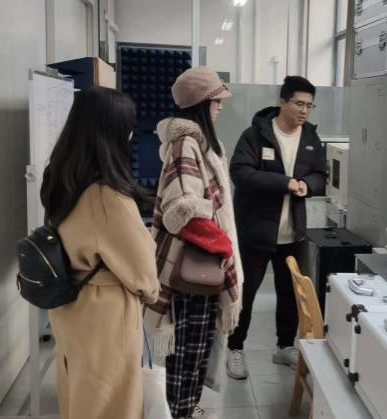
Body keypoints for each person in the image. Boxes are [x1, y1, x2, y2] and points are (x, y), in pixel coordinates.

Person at [41, 86, 160, 419]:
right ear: (113, 133)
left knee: (80, 393)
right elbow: (143, 271)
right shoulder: (108, 196)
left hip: (71, 302)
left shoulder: (61, 177)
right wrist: (152, 292)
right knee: (111, 402)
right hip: (105, 314)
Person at [143, 66, 243, 419]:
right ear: (202, 102)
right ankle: (180, 412)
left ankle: (184, 409)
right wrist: (224, 248)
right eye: (217, 100)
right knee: (188, 354)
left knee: (194, 352)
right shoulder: (186, 143)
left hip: (200, 263)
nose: (221, 107)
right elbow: (184, 211)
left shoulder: (197, 142)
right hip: (194, 269)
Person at [226, 76, 326, 379]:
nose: (304, 110)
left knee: (290, 295)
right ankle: (235, 348)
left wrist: (307, 185)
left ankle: (284, 347)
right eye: (299, 103)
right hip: (255, 231)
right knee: (246, 293)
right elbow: (240, 173)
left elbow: (320, 175)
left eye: (309, 105)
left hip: (293, 233)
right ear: (282, 101)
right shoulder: (255, 135)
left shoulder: (311, 137)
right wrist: (285, 183)